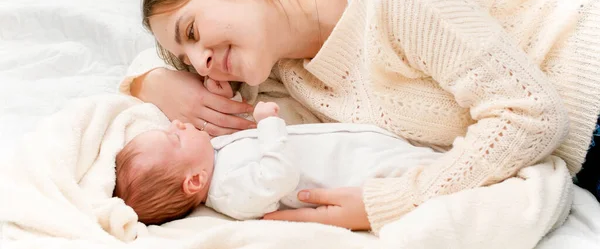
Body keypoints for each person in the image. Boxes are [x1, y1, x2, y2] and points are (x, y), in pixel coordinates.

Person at [119, 0, 600, 232]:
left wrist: (393, 203)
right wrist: (154, 82)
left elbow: (532, 115)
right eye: (186, 60)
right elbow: (137, 75)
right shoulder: (279, 75)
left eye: (192, 32)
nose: (202, 63)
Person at [114, 100, 440, 225]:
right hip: (359, 169)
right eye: (174, 138)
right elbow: (278, 176)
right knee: (435, 174)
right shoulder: (230, 192)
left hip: (356, 144)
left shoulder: (213, 157)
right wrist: (267, 125)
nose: (176, 125)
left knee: (432, 156)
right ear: (194, 181)